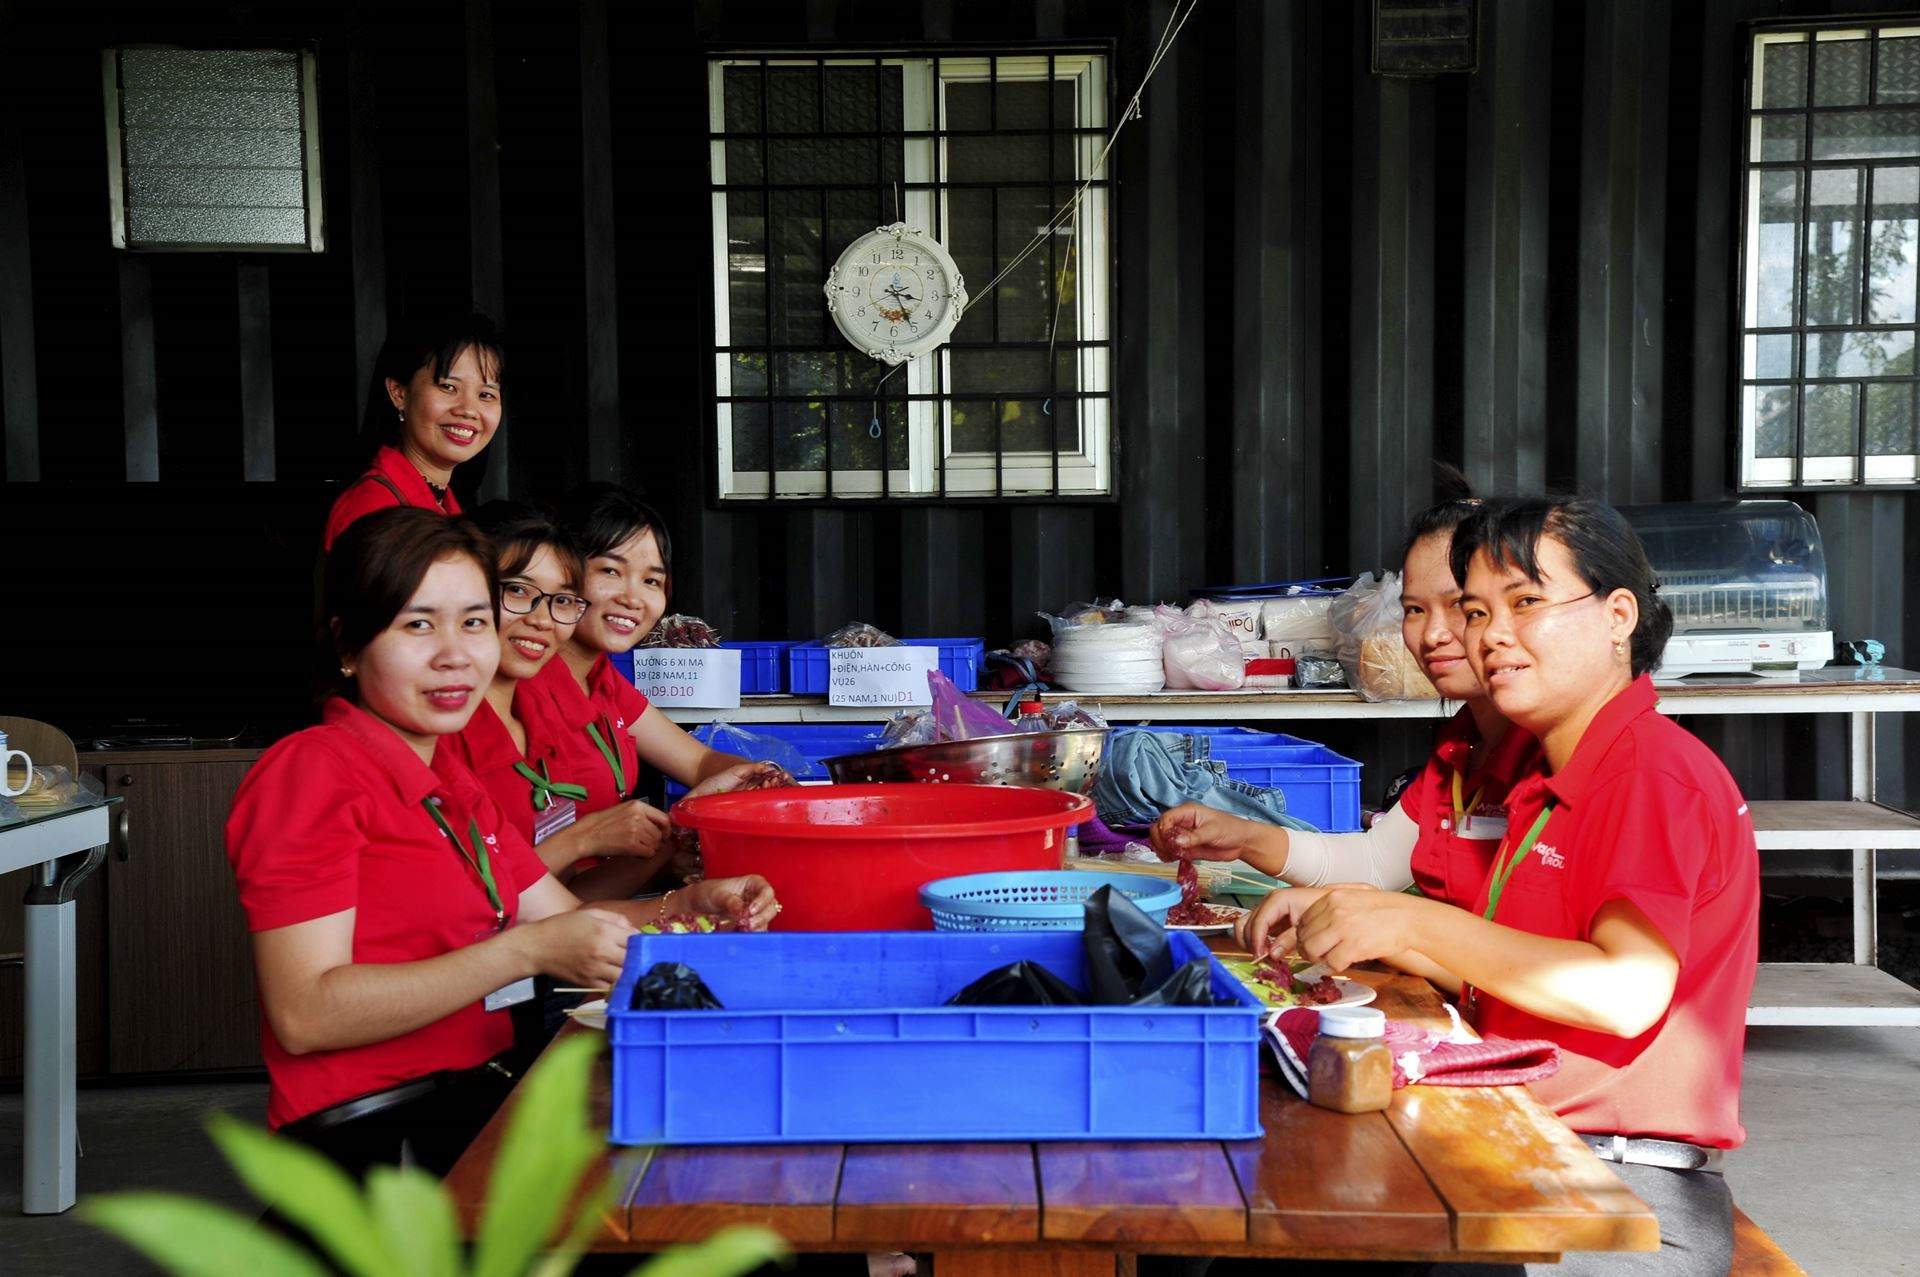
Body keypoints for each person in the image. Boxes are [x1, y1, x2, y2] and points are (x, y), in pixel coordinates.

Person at [1247, 497, 1758, 1276]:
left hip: (1621, 1189)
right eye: (1479, 611)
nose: (1488, 635)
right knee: (1280, 1216)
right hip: (1533, 1144)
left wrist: (1410, 923)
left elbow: (1625, 990)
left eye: (1524, 603)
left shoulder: (1648, 771)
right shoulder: (1548, 776)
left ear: (1618, 615)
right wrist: (1365, 921)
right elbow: (1507, 977)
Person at [225, 507, 776, 1176]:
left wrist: (694, 904)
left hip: (474, 1096)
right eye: (418, 624)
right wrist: (521, 952)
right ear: (347, 645)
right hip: (372, 1138)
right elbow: (306, 1013)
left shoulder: (449, 776)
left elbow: (562, 916)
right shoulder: (312, 771)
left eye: (474, 622)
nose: (455, 654)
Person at [1150, 477, 1541, 932]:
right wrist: (1243, 838)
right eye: (1414, 609)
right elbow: (1377, 862)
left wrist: (1397, 927)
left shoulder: (1554, 749)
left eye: (1460, 605)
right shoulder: (1464, 743)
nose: (1432, 634)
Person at [546, 483, 760, 808]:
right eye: (611, 571)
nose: (633, 599)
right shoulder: (523, 685)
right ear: (560, 572)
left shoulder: (601, 680)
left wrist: (760, 778)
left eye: (651, 581)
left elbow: (698, 762)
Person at [322, 313, 506, 551]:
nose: (469, 410)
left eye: (486, 395)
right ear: (399, 393)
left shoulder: (447, 505)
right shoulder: (374, 506)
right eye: (448, 387)